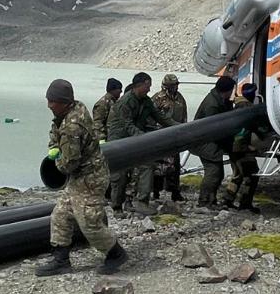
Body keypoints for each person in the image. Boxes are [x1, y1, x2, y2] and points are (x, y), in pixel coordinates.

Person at [36, 79, 127, 277]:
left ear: (64, 102)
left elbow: (70, 163)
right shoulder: (72, 109)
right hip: (80, 178)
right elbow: (56, 131)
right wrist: (54, 145)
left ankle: (116, 253)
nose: (49, 105)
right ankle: (61, 260)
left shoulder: (72, 126)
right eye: (48, 100)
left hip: (90, 179)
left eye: (53, 101)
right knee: (61, 214)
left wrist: (57, 162)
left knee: (89, 222)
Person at [107, 72, 179, 214]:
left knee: (147, 165)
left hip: (135, 140)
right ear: (139, 86)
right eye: (147, 86)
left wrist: (178, 126)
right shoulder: (125, 102)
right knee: (121, 175)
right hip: (119, 142)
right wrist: (143, 138)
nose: (149, 89)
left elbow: (160, 117)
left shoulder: (146, 101)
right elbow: (127, 125)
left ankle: (142, 202)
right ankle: (117, 206)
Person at [220, 83, 270, 213]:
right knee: (252, 175)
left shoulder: (236, 105)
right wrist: (264, 134)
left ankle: (227, 200)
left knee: (237, 174)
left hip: (233, 147)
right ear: (252, 94)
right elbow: (255, 126)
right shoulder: (247, 108)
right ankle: (245, 202)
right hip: (241, 148)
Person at [190, 75, 236, 208]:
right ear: (227, 90)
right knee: (213, 172)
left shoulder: (218, 100)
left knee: (218, 173)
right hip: (204, 142)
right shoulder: (212, 105)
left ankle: (211, 200)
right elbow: (214, 129)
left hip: (208, 141)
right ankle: (204, 201)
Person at [151, 73, 188, 202]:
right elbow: (151, 117)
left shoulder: (180, 98)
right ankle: (155, 191)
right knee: (158, 166)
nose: (176, 87)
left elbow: (184, 116)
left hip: (175, 136)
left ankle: (175, 192)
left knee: (174, 166)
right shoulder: (157, 98)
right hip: (160, 136)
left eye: (177, 84)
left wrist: (183, 130)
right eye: (173, 85)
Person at [92, 77, 122, 143]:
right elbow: (97, 124)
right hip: (104, 139)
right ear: (113, 90)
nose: (121, 91)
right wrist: (102, 140)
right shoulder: (103, 103)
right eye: (119, 89)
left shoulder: (114, 102)